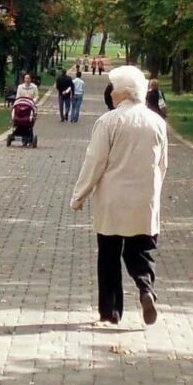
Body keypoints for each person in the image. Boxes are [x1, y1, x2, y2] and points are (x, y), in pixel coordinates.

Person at [70, 65, 168, 327]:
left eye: (113, 89)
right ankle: (145, 288)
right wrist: (154, 192)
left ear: (123, 93)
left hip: (112, 200)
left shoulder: (109, 121)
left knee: (109, 255)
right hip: (144, 200)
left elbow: (95, 162)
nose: (110, 94)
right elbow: (162, 164)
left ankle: (110, 313)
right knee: (142, 251)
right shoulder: (157, 122)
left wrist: (79, 195)